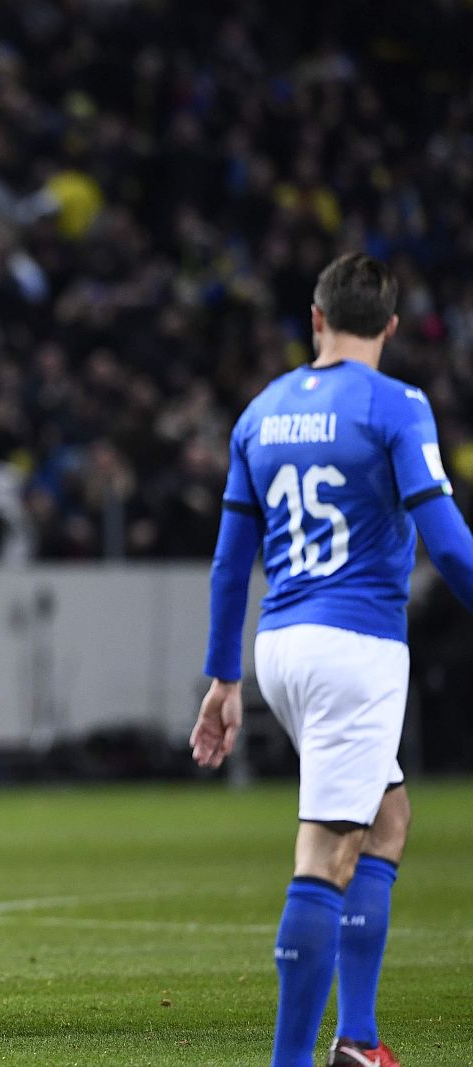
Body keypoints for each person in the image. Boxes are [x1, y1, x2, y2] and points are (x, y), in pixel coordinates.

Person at [192, 253, 473, 1067]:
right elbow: (449, 546)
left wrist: (223, 676)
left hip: (279, 644)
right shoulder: (397, 405)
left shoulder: (261, 410)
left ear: (315, 320)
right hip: (355, 646)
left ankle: (357, 1039)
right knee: (324, 853)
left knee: (387, 818)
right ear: (389, 326)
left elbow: (226, 560)